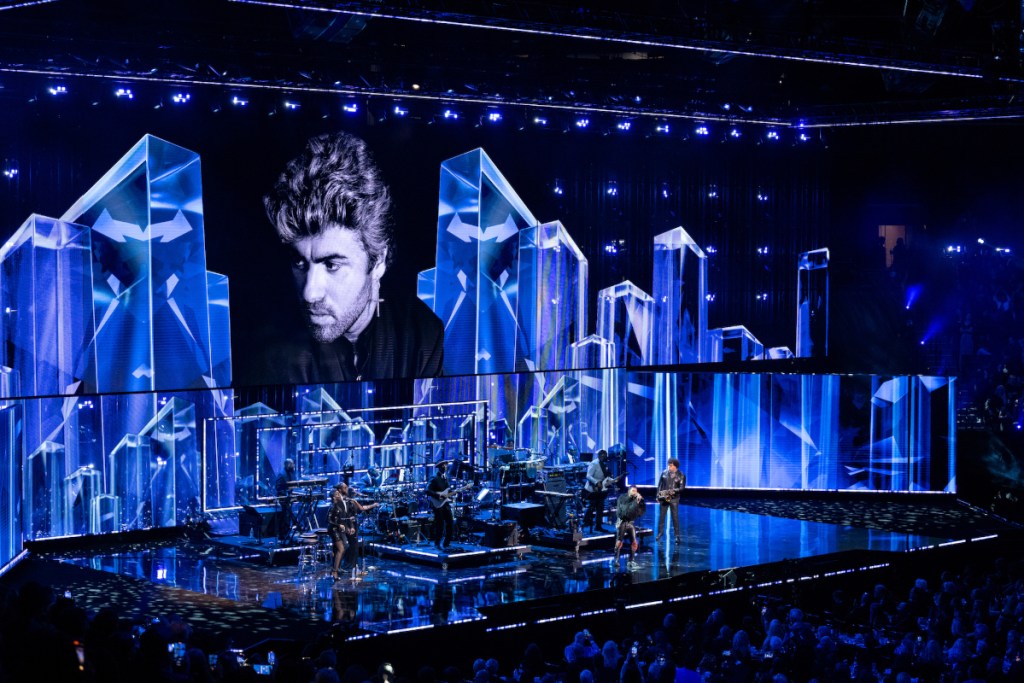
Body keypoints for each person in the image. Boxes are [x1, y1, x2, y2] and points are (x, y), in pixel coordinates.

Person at [260, 131, 444, 383]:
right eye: (300, 262)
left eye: (332, 265)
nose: (310, 293)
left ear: (378, 262)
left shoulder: (421, 335)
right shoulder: (272, 354)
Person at [337, 482, 377, 572]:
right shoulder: (344, 501)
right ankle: (348, 566)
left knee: (351, 545)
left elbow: (362, 508)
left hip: (350, 524)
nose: (347, 489)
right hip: (347, 525)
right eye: (345, 488)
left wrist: (373, 505)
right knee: (350, 545)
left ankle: (349, 565)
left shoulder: (350, 501)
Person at [426, 461, 456, 551]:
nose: (446, 467)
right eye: (444, 465)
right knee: (440, 524)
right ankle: (437, 543)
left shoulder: (445, 478)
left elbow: (447, 491)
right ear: (440, 467)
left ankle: (446, 544)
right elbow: (427, 490)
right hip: (437, 504)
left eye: (446, 465)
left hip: (445, 503)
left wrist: (454, 492)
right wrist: (438, 495)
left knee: (450, 523)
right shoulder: (434, 477)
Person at [614, 486, 646, 571]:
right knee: (619, 542)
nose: (635, 492)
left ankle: (631, 561)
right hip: (622, 522)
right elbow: (626, 511)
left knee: (634, 543)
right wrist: (635, 502)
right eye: (633, 491)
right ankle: (616, 560)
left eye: (636, 491)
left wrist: (641, 502)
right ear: (629, 491)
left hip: (631, 522)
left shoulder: (635, 499)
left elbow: (641, 511)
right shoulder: (623, 498)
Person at [654, 458, 685, 542]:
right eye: (668, 465)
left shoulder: (681, 475)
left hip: (674, 499)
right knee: (662, 516)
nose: (669, 467)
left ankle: (677, 535)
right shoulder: (664, 473)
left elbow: (682, 488)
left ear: (675, 466)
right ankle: (660, 533)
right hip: (664, 497)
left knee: (675, 517)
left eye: (671, 465)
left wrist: (673, 490)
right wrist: (657, 496)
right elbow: (659, 485)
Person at [583, 450, 614, 533]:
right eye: (604, 456)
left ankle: (598, 525)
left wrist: (612, 480)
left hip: (600, 489)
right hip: (592, 489)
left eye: (606, 456)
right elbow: (588, 476)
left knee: (600, 507)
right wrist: (596, 482)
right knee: (592, 506)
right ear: (600, 456)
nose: (605, 457)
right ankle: (585, 522)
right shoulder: (594, 463)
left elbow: (605, 476)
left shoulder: (604, 464)